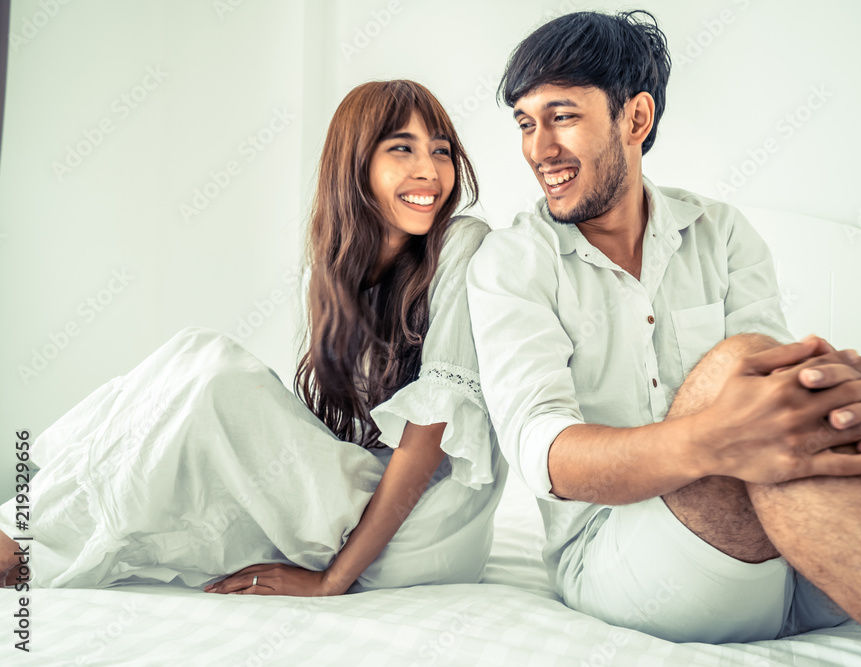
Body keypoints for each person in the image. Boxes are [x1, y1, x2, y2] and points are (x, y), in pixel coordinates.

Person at [467, 10, 861, 666]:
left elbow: (782, 396)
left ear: (635, 119)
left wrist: (848, 398)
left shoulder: (720, 230)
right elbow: (543, 455)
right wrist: (715, 439)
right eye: (526, 122)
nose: (538, 149)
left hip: (813, 555)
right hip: (630, 561)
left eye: (563, 116)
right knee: (741, 367)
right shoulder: (511, 262)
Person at [0, 79, 507, 597]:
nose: (429, 169)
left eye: (441, 151)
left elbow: (427, 436)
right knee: (192, 354)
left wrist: (332, 580)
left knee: (216, 379)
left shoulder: (463, 243)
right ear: (355, 166)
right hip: (371, 508)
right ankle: (21, 538)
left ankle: (14, 535)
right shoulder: (343, 277)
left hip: (424, 529)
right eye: (403, 148)